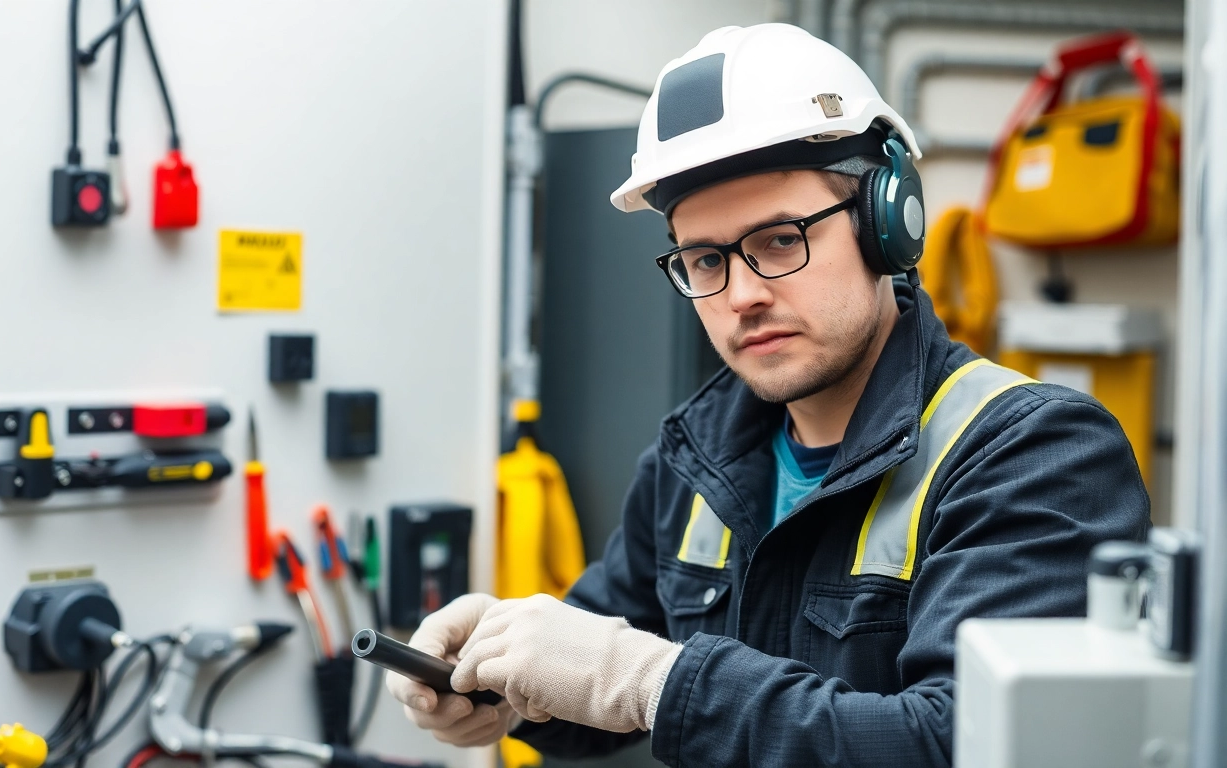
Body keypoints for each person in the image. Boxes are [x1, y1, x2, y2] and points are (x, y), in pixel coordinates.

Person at [386, 23, 1149, 766]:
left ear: (888, 225)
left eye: (780, 240)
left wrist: (657, 682)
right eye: (705, 259)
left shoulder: (1034, 454)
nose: (741, 294)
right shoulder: (695, 460)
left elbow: (960, 744)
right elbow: (607, 684)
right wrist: (511, 683)